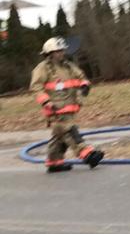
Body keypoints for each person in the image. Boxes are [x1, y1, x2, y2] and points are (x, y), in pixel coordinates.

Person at [30, 37, 103, 173]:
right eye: (58, 51)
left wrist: (85, 85)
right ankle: (88, 154)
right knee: (70, 131)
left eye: (62, 50)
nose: (61, 53)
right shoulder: (43, 69)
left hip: (70, 107)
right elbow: (36, 87)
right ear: (49, 53)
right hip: (55, 109)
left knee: (59, 136)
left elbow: (81, 77)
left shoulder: (68, 66)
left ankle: (54, 163)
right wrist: (47, 102)